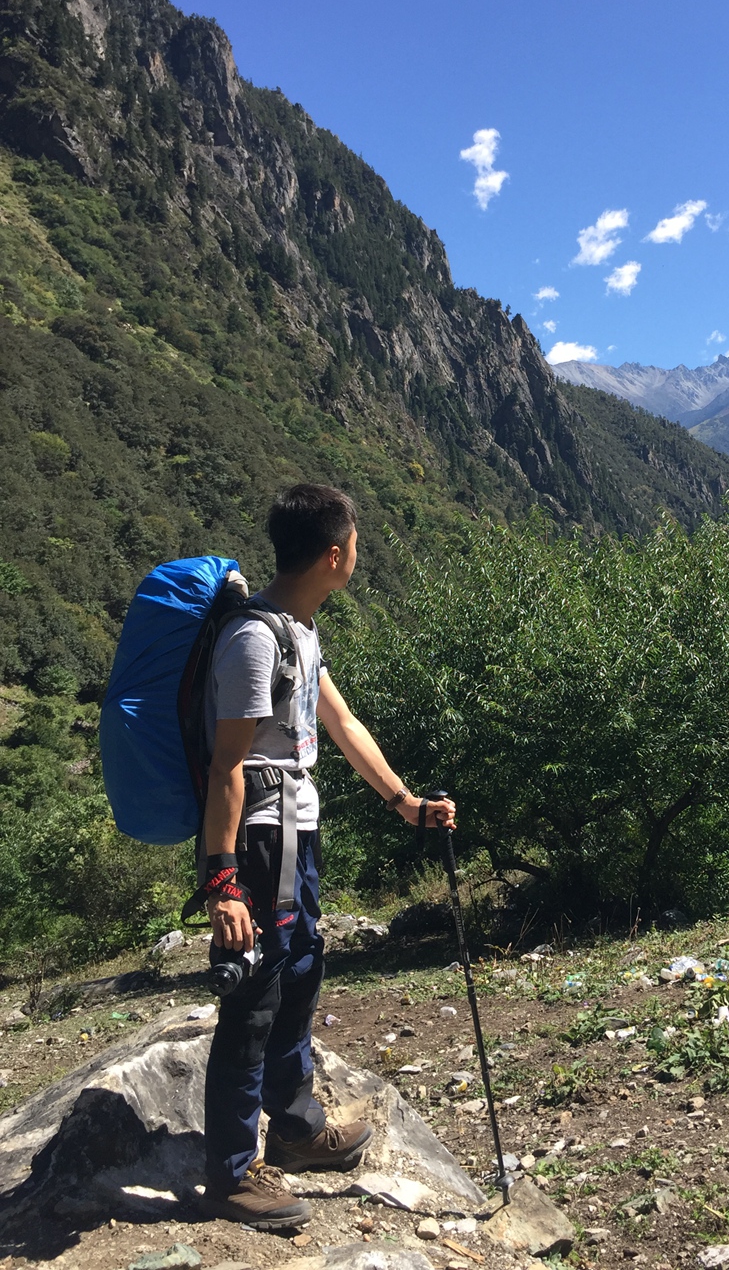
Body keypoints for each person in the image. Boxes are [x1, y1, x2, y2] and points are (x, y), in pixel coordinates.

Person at [197, 483, 455, 1229]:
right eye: (357, 543)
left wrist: (404, 802)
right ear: (335, 554)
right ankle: (233, 1171)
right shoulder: (255, 640)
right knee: (254, 997)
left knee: (301, 974)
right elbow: (226, 768)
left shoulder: (300, 632)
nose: (359, 555)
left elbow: (340, 722)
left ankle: (297, 1129)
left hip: (295, 831)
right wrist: (222, 883)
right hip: (260, 840)